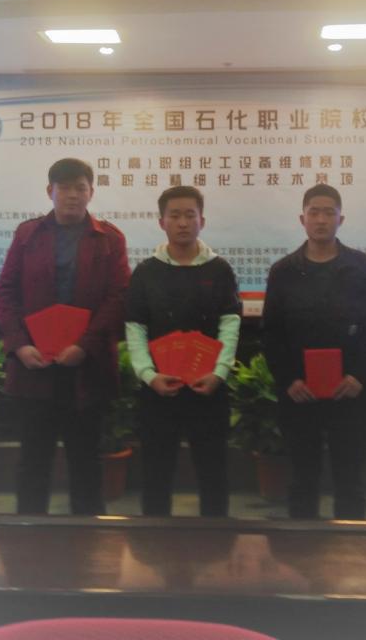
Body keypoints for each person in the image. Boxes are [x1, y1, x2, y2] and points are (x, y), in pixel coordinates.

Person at [0, 158, 130, 515]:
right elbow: (6, 292)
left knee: (86, 460)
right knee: (33, 459)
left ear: (91, 192)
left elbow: (118, 297)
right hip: (35, 365)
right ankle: (29, 534)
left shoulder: (109, 238)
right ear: (49, 191)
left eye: (80, 188)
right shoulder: (28, 234)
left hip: (86, 368)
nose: (72, 195)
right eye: (65, 188)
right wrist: (19, 345)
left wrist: (84, 346)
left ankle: (90, 537)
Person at [263, 184, 366, 520]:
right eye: (314, 213)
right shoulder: (283, 271)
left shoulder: (362, 267)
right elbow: (272, 332)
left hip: (350, 392)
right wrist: (289, 380)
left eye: (329, 213)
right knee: (302, 479)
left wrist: (359, 375)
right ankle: (302, 546)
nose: (321, 220)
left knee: (350, 479)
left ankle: (353, 547)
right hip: (299, 393)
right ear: (302, 219)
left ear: (340, 219)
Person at [125, 186, 241, 517]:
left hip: (208, 389)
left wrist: (219, 372)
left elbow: (230, 324)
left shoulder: (219, 269)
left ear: (202, 220)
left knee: (213, 472)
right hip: (160, 390)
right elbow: (135, 327)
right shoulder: (146, 272)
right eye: (174, 215)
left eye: (190, 215)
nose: (183, 223)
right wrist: (148, 375)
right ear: (161, 222)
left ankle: (215, 539)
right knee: (156, 474)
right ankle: (155, 540)